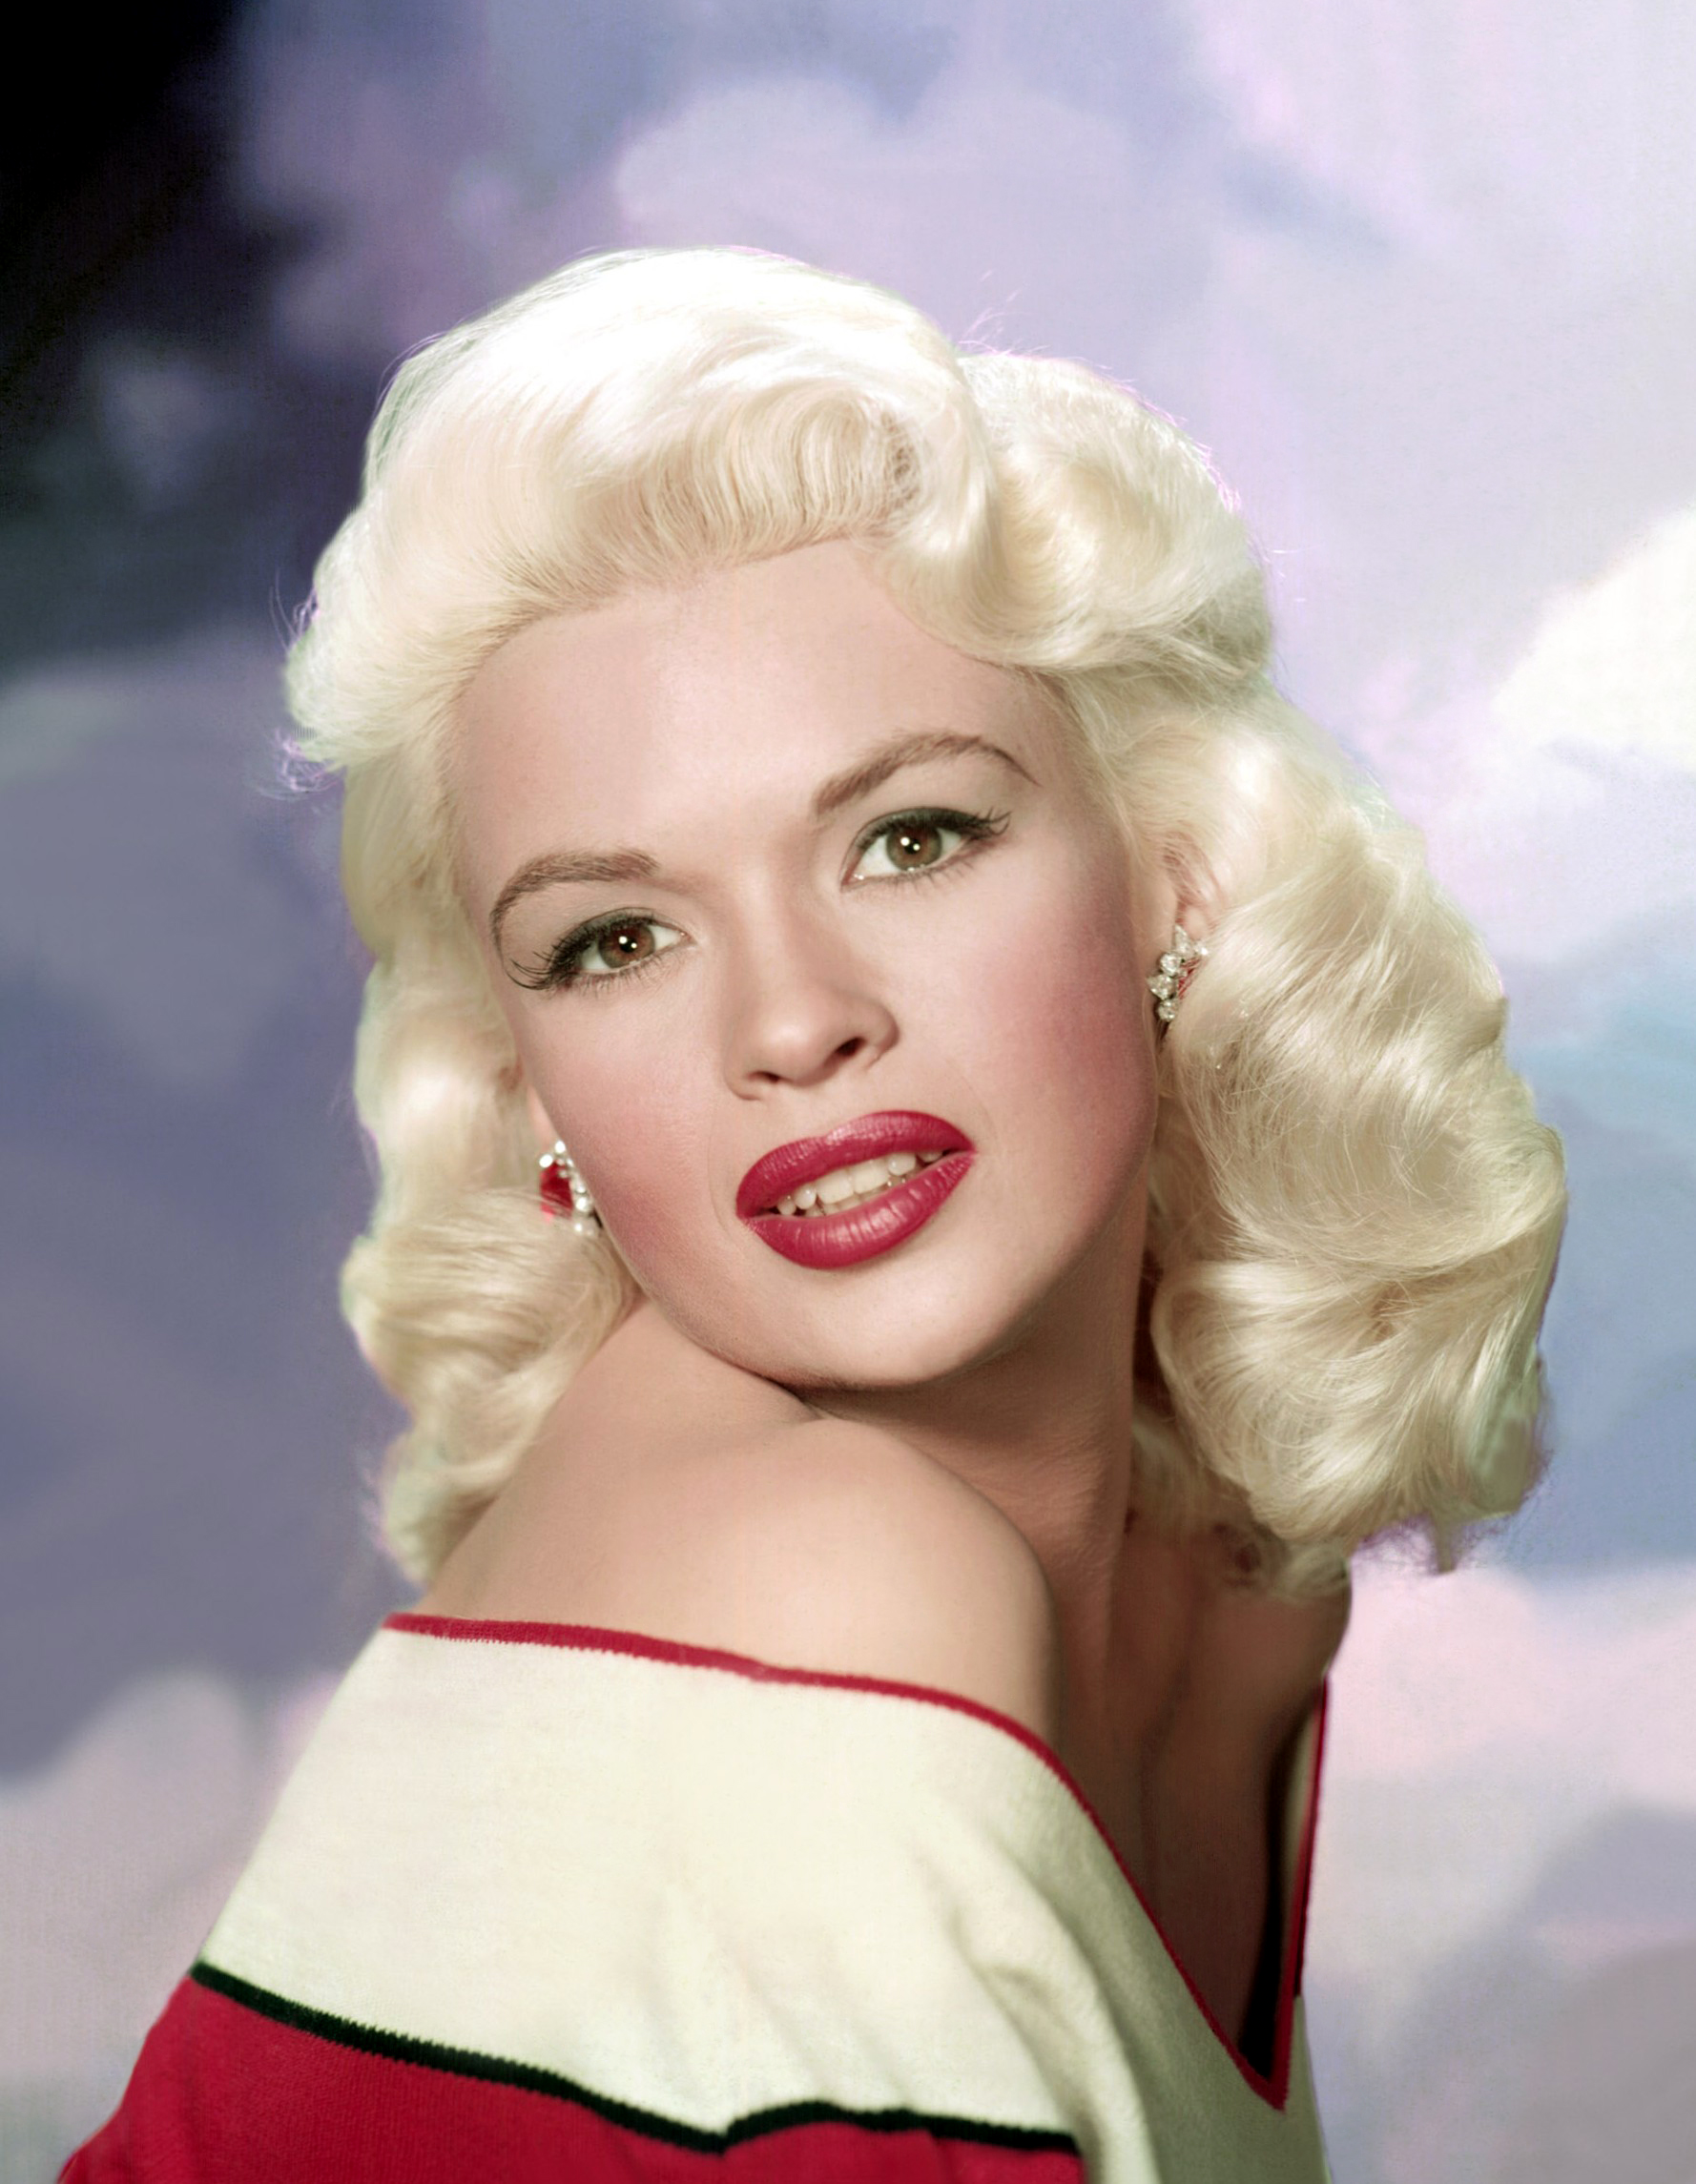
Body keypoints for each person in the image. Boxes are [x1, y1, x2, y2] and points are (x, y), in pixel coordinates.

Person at [64, 247, 1565, 2182]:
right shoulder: (827, 1590)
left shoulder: (1230, 1592)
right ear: (530, 1084)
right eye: (615, 938)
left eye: (909, 836)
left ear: (1174, 877)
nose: (791, 1022)